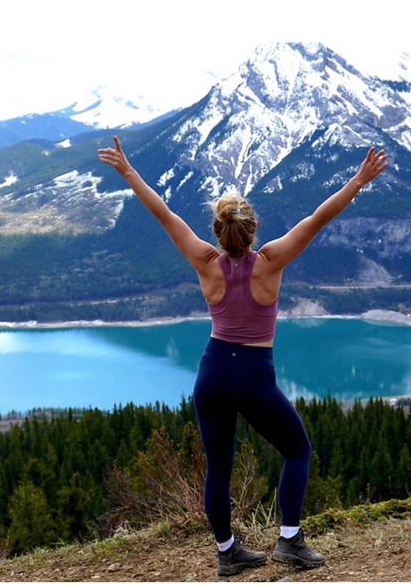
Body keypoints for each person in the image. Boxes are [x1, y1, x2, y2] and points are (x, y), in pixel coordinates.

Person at [98, 137, 389, 576]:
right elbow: (319, 218)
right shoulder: (270, 261)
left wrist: (127, 171)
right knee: (297, 450)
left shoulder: (205, 261)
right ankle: (289, 540)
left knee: (219, 467)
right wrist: (359, 180)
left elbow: (164, 214)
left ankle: (227, 551)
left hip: (212, 372)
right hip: (253, 375)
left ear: (217, 231)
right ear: (252, 230)